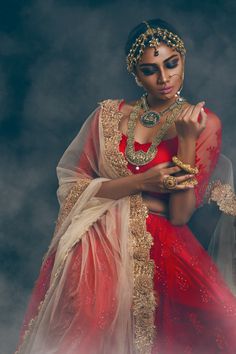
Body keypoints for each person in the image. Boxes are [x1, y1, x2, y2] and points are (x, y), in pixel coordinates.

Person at [15, 18, 236, 354]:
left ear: (183, 58)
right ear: (135, 74)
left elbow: (179, 213)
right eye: (150, 70)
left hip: (160, 249)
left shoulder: (202, 123)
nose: (164, 78)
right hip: (96, 247)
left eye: (171, 64)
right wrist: (143, 183)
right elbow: (74, 188)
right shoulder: (107, 115)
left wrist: (187, 141)